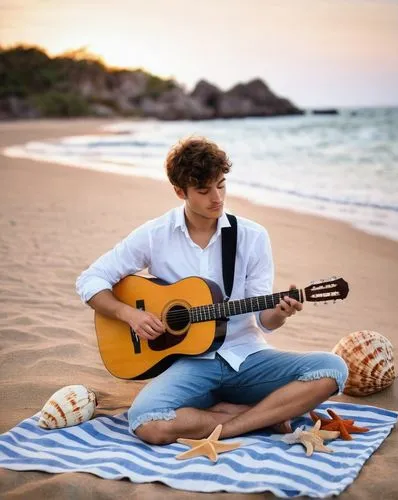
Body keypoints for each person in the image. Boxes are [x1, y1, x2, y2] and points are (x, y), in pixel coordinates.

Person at [76, 136, 348, 445]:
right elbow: (90, 279)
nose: (216, 198)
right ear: (181, 191)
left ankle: (231, 425)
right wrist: (130, 315)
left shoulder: (252, 236)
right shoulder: (155, 235)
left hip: (247, 357)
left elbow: (264, 321)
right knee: (145, 421)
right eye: (204, 191)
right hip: (191, 366)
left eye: (221, 185)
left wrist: (280, 313)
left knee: (333, 368)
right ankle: (262, 415)